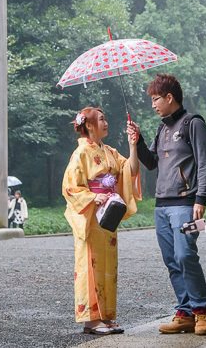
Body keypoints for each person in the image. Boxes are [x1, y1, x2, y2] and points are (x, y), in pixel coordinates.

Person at [126, 73, 206, 336]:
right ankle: (185, 312)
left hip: (187, 205)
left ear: (169, 97)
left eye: (155, 99)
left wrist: (201, 199)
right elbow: (152, 163)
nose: (153, 104)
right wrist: (138, 140)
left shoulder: (193, 123)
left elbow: (205, 162)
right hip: (162, 207)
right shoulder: (162, 128)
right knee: (171, 260)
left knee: (185, 254)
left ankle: (202, 312)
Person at [62, 106, 141, 335]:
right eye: (101, 119)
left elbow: (130, 170)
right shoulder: (81, 153)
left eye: (105, 118)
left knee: (108, 266)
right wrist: (94, 195)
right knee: (90, 266)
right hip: (91, 215)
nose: (106, 123)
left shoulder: (110, 151)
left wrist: (133, 144)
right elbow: (70, 187)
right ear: (89, 125)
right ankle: (91, 319)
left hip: (108, 216)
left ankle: (105, 316)